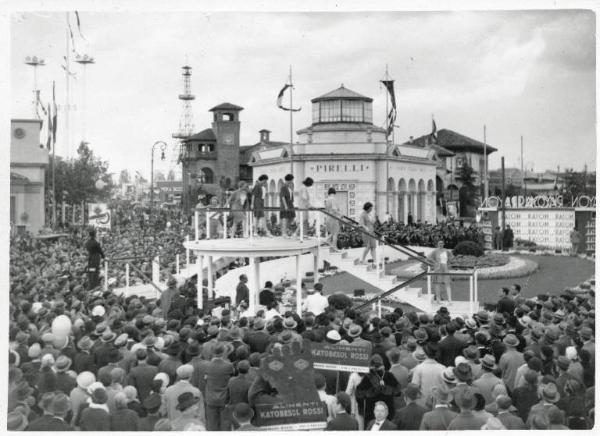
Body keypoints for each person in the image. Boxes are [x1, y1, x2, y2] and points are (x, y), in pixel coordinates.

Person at [427, 239, 453, 304]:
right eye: (439, 243)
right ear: (437, 244)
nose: (441, 244)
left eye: (442, 243)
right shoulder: (435, 251)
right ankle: (438, 300)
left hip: (445, 268)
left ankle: (449, 300)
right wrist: (435, 262)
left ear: (443, 244)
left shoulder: (446, 251)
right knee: (437, 284)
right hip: (438, 268)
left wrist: (448, 264)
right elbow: (428, 257)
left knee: (447, 283)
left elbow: (451, 258)